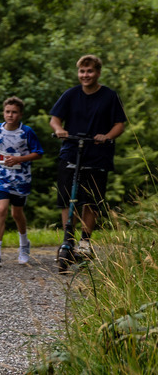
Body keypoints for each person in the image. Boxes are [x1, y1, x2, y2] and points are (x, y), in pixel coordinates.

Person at [48, 54, 127, 256]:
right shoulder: (71, 95)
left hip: (97, 153)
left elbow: (120, 124)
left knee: (91, 201)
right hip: (71, 151)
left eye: (90, 71)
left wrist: (107, 136)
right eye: (82, 71)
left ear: (98, 73)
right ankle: (68, 239)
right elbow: (55, 119)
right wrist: (59, 130)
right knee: (66, 198)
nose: (85, 75)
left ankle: (84, 242)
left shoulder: (110, 96)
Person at [0, 96, 44, 266]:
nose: (10, 115)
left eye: (14, 112)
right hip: (2, 175)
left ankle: (24, 245)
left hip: (21, 177)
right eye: (8, 112)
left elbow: (38, 153)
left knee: (16, 213)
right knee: (1, 209)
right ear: (3, 113)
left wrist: (19, 159)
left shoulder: (27, 132)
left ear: (21, 114)